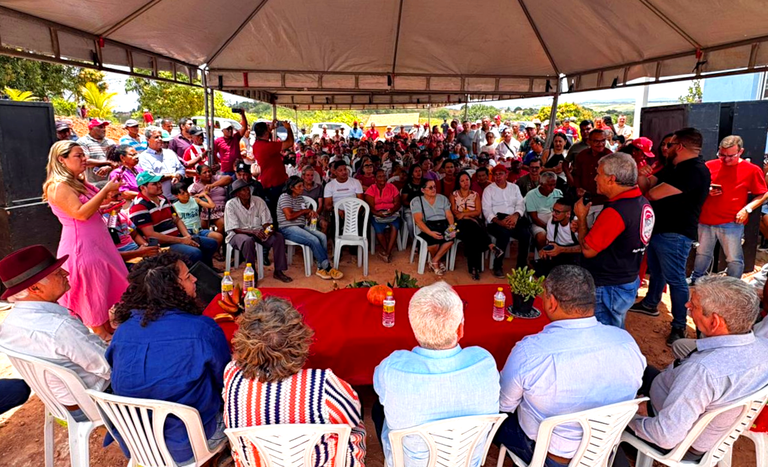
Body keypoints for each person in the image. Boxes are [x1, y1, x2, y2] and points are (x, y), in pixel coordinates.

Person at [496, 265, 645, 467]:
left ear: (552, 302)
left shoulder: (531, 351)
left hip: (547, 455)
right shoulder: (626, 342)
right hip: (602, 449)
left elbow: (504, 405)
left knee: (494, 421)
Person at [619, 276, 768, 464]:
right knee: (637, 367)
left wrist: (632, 414)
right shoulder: (763, 348)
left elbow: (666, 436)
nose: (687, 304)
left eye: (694, 305)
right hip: (695, 419)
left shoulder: (702, 371)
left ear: (714, 322)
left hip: (679, 441)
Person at [107, 252, 230, 464]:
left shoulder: (122, 332)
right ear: (172, 289)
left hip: (136, 441)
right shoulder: (201, 330)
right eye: (187, 276)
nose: (195, 279)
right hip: (189, 444)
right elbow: (226, 383)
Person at [224, 296, 366, 467]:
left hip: (258, 463)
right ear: (299, 341)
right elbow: (352, 416)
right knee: (356, 426)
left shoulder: (232, 375)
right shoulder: (323, 384)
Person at [374, 281, 500, 467]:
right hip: (467, 462)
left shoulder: (392, 368)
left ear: (414, 329)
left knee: (378, 409)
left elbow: (378, 386)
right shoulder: (485, 362)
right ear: (460, 330)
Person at [0, 245, 111, 416]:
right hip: (95, 403)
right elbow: (109, 368)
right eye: (58, 273)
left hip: (61, 405)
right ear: (35, 288)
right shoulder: (60, 327)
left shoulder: (9, 324)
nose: (66, 274)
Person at [631, 128, 711, 346]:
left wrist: (649, 184)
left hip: (676, 233)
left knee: (675, 279)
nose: (666, 148)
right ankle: (650, 304)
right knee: (657, 272)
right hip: (660, 229)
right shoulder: (674, 167)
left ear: (681, 147)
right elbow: (646, 186)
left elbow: (653, 193)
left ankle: (679, 325)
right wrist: (642, 173)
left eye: (671, 145)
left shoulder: (693, 170)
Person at [42, 141, 128, 339]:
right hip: (82, 245)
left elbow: (92, 207)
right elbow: (80, 214)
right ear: (61, 160)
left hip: (97, 241)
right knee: (91, 288)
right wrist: (106, 190)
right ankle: (101, 334)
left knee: (103, 284)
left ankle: (106, 326)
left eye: (83, 155)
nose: (84, 160)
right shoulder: (58, 186)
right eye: (78, 156)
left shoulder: (77, 181)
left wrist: (107, 203)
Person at [574, 153, 655, 328]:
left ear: (611, 179)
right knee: (615, 326)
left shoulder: (616, 211)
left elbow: (588, 250)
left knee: (604, 332)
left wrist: (581, 218)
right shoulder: (641, 202)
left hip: (608, 284)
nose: (595, 178)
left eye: (598, 174)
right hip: (626, 277)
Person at [691, 135, 768, 283]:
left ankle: (733, 285)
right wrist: (707, 190)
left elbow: (763, 193)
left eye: (730, 156)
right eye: (722, 155)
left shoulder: (752, 170)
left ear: (741, 151)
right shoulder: (710, 165)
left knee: (733, 258)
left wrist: (747, 209)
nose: (725, 159)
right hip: (706, 219)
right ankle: (696, 279)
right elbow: (697, 188)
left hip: (731, 221)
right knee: (702, 253)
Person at [130, 171, 218, 267]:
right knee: (194, 253)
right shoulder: (139, 206)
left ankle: (205, 272)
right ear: (143, 188)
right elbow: (151, 235)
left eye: (159, 182)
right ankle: (193, 277)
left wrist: (187, 236)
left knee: (212, 243)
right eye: (155, 184)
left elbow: (177, 219)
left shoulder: (163, 199)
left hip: (177, 237)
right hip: (162, 245)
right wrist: (181, 240)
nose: (160, 185)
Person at [225, 179, 293, 283]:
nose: (247, 191)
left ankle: (278, 271)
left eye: (248, 189)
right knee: (248, 241)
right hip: (237, 234)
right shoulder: (230, 205)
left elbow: (266, 221)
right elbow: (234, 228)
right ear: (237, 194)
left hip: (257, 232)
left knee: (278, 237)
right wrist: (253, 232)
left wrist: (269, 228)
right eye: (243, 190)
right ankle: (251, 273)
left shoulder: (258, 201)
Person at [278, 176, 343, 279]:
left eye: (302, 186)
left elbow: (304, 215)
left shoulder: (300, 198)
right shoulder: (284, 197)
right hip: (287, 228)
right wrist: (306, 211)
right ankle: (327, 268)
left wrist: (310, 215)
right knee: (313, 239)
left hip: (301, 226)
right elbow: (289, 216)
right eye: (299, 186)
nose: (302, 188)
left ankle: (320, 268)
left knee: (322, 236)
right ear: (291, 188)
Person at [450, 171, 500, 280]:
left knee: (472, 237)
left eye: (467, 179)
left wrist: (465, 214)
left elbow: (478, 211)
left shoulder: (475, 194)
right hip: (460, 224)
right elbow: (454, 211)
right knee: (471, 228)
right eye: (462, 181)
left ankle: (474, 269)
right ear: (459, 183)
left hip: (474, 222)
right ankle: (490, 245)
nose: (465, 182)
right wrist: (465, 216)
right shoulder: (454, 195)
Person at [483, 164, 532, 276]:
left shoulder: (514, 188)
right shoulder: (489, 190)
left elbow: (520, 204)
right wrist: (501, 222)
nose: (498, 177)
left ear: (506, 175)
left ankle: (521, 267)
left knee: (526, 234)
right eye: (495, 174)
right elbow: (486, 210)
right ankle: (497, 266)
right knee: (503, 234)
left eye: (501, 174)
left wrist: (515, 216)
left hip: (513, 218)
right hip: (496, 221)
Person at [412, 179, 455, 275]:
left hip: (443, 224)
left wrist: (451, 227)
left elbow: (449, 215)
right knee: (433, 243)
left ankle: (434, 260)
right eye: (430, 187)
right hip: (428, 226)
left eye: (435, 187)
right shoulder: (418, 201)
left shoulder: (442, 198)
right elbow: (418, 221)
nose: (433, 189)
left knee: (451, 239)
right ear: (423, 190)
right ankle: (437, 262)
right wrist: (430, 233)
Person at [253, 120, 293, 223]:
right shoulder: (268, 146)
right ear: (266, 133)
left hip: (269, 182)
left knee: (274, 210)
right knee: (278, 211)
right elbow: (289, 142)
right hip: (275, 183)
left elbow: (266, 137)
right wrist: (288, 128)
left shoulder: (257, 144)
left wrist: (270, 129)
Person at [534, 199, 581, 276]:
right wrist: (544, 250)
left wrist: (562, 249)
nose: (553, 214)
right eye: (553, 210)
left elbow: (583, 247)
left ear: (568, 214)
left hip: (574, 252)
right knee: (541, 272)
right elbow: (551, 243)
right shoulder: (552, 221)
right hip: (558, 250)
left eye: (557, 212)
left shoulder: (576, 223)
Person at [365, 169, 402, 262]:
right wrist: (378, 213)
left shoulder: (392, 187)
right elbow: (370, 206)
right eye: (379, 176)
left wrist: (392, 211)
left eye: (384, 176)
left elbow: (398, 203)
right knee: (379, 230)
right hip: (377, 213)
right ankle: (387, 251)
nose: (382, 178)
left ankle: (387, 253)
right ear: (375, 179)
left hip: (391, 212)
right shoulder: (371, 189)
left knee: (395, 226)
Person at [138, 126, 185, 199]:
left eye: (160, 136)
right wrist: (171, 176)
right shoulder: (144, 157)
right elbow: (150, 178)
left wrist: (178, 175)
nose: (160, 139)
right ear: (148, 139)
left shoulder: (169, 152)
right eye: (156, 137)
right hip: (160, 200)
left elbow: (181, 168)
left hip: (178, 198)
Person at [172, 183, 224, 248]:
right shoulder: (174, 206)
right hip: (187, 232)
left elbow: (212, 206)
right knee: (198, 243)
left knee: (219, 237)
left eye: (186, 191)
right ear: (176, 196)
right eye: (182, 193)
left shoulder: (195, 200)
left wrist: (205, 195)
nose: (186, 194)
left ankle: (212, 254)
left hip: (199, 230)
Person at [188, 164, 232, 233]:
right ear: (199, 175)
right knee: (200, 229)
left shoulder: (216, 178)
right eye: (204, 172)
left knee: (223, 225)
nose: (208, 174)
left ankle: (216, 240)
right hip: (204, 212)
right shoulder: (195, 186)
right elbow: (189, 199)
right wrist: (201, 195)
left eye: (209, 171)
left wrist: (212, 185)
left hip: (221, 211)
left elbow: (229, 178)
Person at [525, 172, 562, 249]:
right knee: (541, 237)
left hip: (555, 222)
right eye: (550, 185)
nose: (553, 187)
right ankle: (544, 257)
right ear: (541, 184)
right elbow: (534, 218)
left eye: (554, 184)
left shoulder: (558, 193)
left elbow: (562, 211)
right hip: (538, 224)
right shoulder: (531, 195)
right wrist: (549, 228)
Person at [77, 118, 116, 186]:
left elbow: (118, 162)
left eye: (104, 127)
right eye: (100, 127)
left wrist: (109, 167)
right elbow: (86, 162)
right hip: (92, 184)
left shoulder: (110, 142)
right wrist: (109, 162)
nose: (104, 129)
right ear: (91, 128)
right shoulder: (83, 142)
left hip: (110, 183)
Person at [213, 111, 248, 176]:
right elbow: (213, 152)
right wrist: (217, 163)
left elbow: (244, 127)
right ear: (222, 131)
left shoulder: (236, 137)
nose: (230, 130)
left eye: (231, 128)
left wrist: (242, 114)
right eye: (228, 129)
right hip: (226, 171)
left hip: (238, 170)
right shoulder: (218, 141)